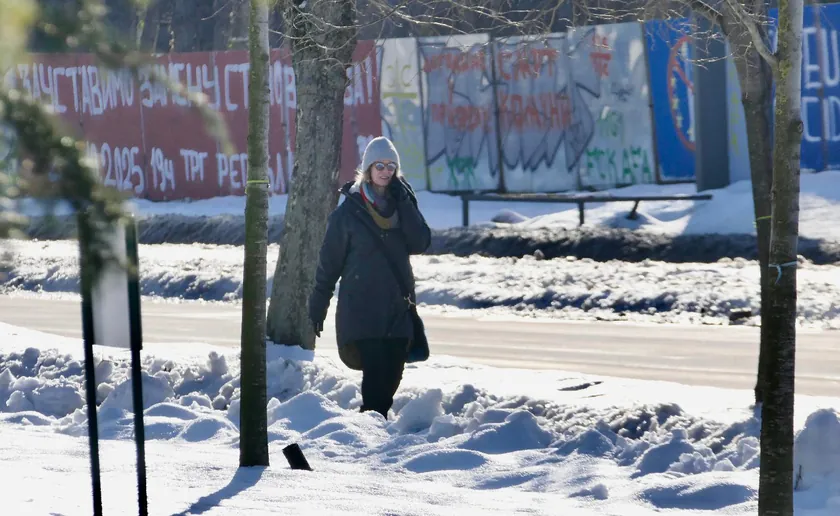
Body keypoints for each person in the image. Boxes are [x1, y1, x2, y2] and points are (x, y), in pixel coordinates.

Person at [308, 136, 431, 419]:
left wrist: (405, 202)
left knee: (393, 375)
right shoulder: (348, 214)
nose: (386, 171)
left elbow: (420, 242)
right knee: (376, 378)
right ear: (368, 168)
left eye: (391, 165)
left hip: (398, 308)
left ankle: (372, 427)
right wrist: (318, 306)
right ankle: (369, 434)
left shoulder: (403, 204)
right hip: (362, 310)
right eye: (380, 165)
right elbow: (329, 265)